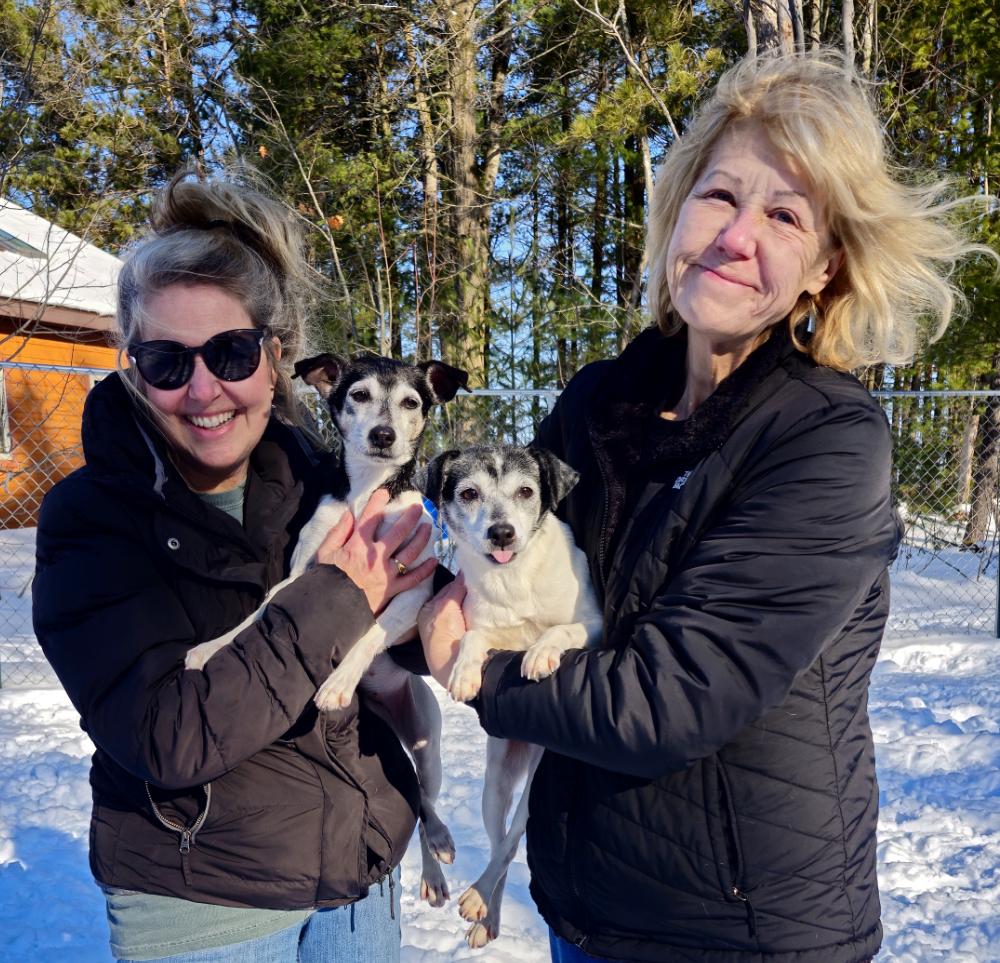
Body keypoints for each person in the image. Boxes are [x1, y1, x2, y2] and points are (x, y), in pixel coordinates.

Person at [420, 51, 996, 963]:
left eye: (784, 215)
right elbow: (507, 559)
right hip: (586, 910)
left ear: (824, 267)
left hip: (743, 932)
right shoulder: (599, 401)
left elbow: (669, 700)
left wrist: (472, 667)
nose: (736, 235)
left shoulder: (826, 439)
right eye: (720, 195)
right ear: (676, 210)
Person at [32, 169, 437, 963]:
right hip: (204, 909)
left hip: (359, 884)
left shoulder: (324, 477)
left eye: (231, 352)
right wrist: (341, 592)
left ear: (274, 357)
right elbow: (167, 735)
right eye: (166, 361)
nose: (203, 389)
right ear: (131, 367)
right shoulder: (92, 518)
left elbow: (406, 622)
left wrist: (449, 611)